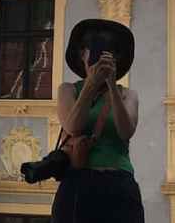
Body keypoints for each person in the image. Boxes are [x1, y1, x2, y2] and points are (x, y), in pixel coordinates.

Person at [53, 18, 144, 223]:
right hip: (79, 184)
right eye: (92, 49)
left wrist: (111, 85)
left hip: (119, 185)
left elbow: (126, 132)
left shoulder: (128, 95)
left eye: (108, 50)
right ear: (82, 55)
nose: (98, 56)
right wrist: (90, 85)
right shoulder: (68, 90)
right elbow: (73, 126)